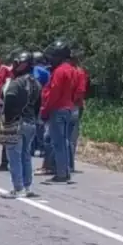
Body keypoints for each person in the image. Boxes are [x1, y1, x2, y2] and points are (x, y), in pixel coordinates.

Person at [0, 51, 42, 198]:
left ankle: (18, 188)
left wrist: (7, 122)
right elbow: (38, 105)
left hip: (15, 122)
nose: (15, 65)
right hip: (30, 123)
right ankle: (27, 187)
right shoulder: (36, 83)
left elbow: (9, 100)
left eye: (17, 63)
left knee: (14, 156)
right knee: (26, 155)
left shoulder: (16, 82)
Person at [40, 39, 77, 184]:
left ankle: (61, 173)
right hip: (68, 108)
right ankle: (65, 170)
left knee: (58, 143)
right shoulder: (72, 70)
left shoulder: (59, 71)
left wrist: (45, 109)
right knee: (64, 141)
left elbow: (54, 92)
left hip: (58, 108)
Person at [70, 52, 89, 174]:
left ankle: (64, 165)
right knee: (72, 137)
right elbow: (81, 90)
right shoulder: (80, 72)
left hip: (68, 105)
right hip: (75, 105)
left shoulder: (66, 71)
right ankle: (69, 164)